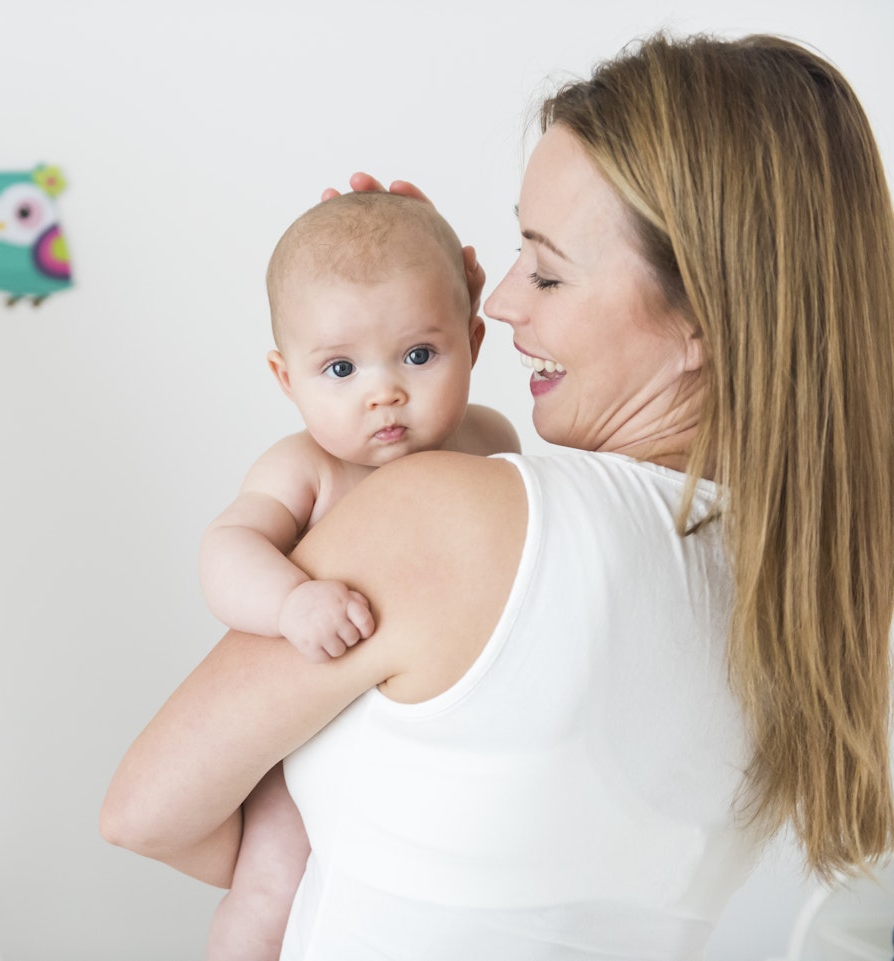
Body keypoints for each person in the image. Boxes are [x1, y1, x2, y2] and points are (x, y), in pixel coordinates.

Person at [101, 32, 894, 960]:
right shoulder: (812, 584)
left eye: (547, 271)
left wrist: (285, 870)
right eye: (508, 260)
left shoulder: (449, 515)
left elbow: (144, 811)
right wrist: (417, 313)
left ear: (701, 323)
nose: (505, 304)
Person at [199, 193, 519, 960]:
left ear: (473, 341)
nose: (385, 393)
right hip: (310, 727)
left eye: (419, 354)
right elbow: (225, 549)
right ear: (286, 378)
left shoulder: (490, 440)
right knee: (273, 881)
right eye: (340, 368)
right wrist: (290, 603)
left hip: (425, 730)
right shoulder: (305, 469)